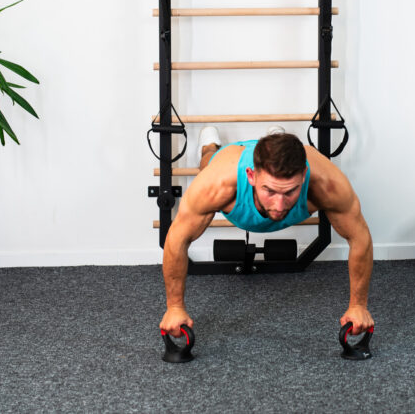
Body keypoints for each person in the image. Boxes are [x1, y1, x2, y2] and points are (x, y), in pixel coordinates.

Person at [159, 127, 375, 338]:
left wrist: (358, 306)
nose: (279, 205)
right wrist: (175, 307)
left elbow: (359, 237)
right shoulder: (217, 183)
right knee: (207, 162)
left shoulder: (328, 185)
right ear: (251, 176)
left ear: (304, 176)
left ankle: (276, 137)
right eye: (269, 191)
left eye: (290, 191)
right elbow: (178, 238)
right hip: (230, 160)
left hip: (292, 170)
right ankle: (209, 145)